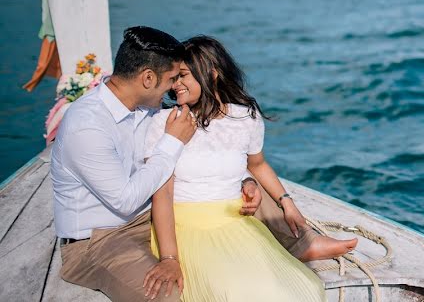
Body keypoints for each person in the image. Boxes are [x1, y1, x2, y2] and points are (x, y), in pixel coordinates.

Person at [142, 35, 357, 301]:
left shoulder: (245, 117)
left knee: (305, 289)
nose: (175, 85)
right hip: (185, 228)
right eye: (174, 77)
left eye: (183, 75)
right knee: (236, 292)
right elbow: (160, 194)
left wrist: (287, 203)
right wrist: (169, 257)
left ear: (212, 73)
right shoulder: (164, 121)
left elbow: (257, 164)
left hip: (235, 223)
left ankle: (304, 245)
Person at [50, 26, 197, 302]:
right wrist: (172, 142)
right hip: (99, 241)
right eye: (172, 78)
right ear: (148, 78)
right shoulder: (86, 125)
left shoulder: (146, 107)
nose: (175, 86)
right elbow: (125, 200)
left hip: (150, 219)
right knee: (167, 296)